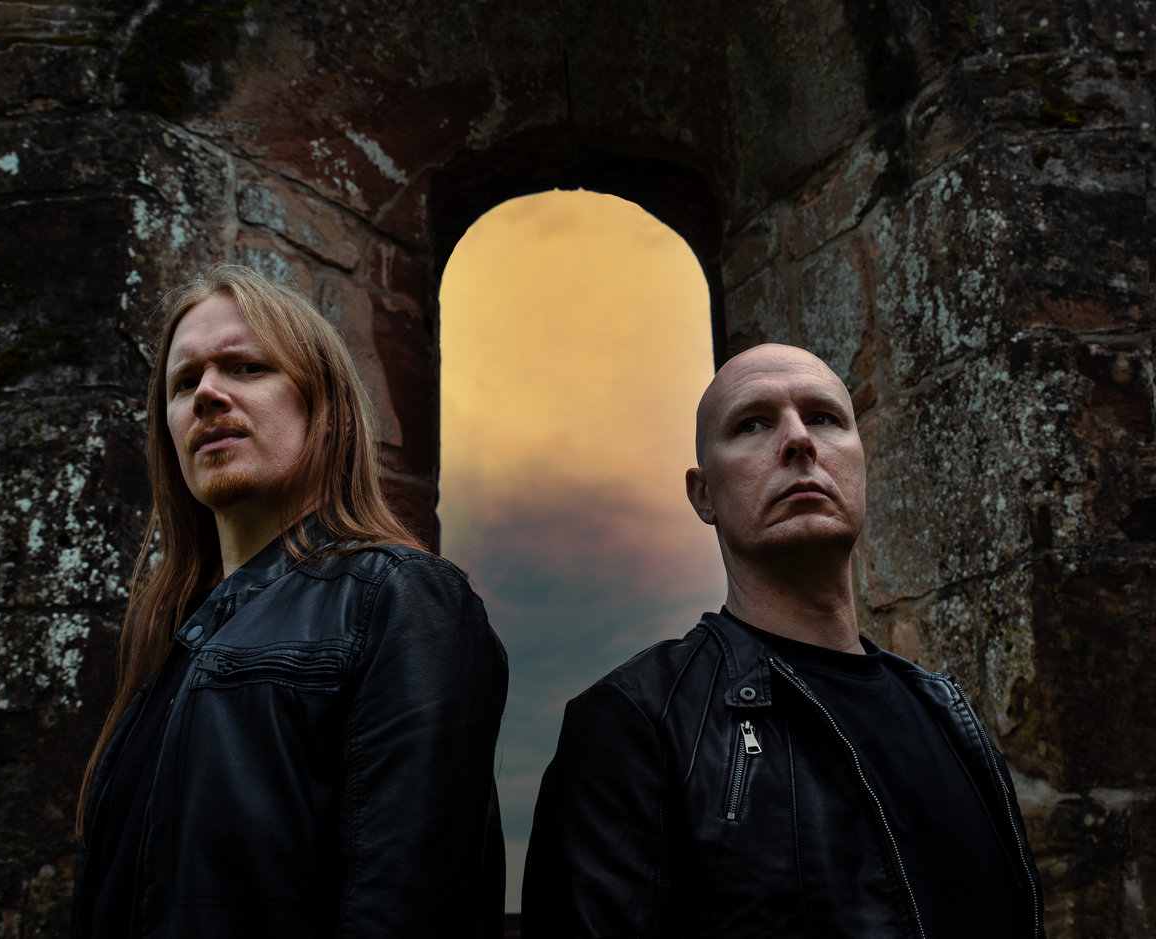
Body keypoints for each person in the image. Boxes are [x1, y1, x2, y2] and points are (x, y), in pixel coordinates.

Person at [522, 344, 1044, 938]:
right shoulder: (637, 722)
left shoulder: (949, 715)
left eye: (823, 417)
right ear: (703, 494)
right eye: (752, 424)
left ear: (861, 465)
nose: (799, 440)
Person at [72, 264, 508, 938]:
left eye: (246, 367)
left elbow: (409, 903)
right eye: (184, 382)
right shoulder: (170, 640)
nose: (207, 394)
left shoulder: (400, 597)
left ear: (323, 406)